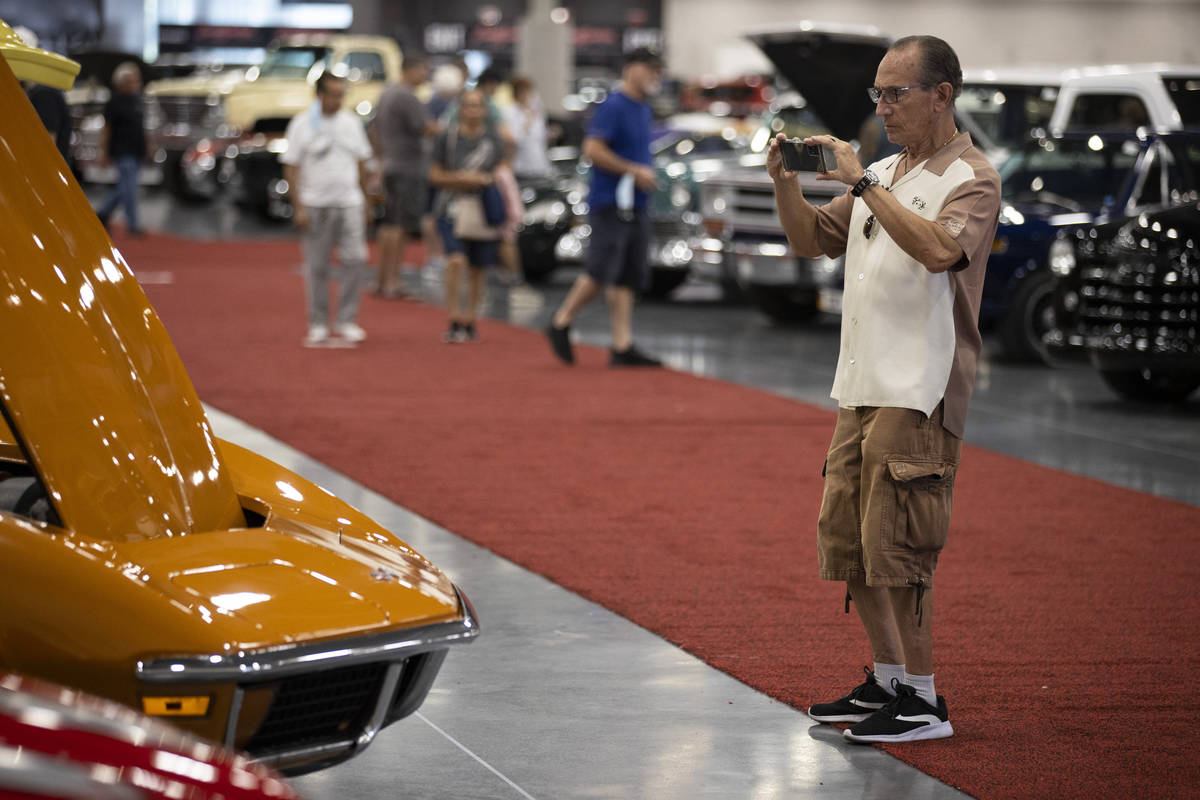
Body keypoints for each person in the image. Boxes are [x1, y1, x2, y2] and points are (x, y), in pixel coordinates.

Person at [767, 35, 1000, 744]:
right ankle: (890, 679)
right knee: (852, 545)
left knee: (900, 550)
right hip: (863, 385)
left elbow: (938, 251)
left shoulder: (973, 178)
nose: (884, 106)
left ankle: (925, 702)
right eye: (879, 94)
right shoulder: (885, 170)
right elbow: (812, 240)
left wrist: (863, 186)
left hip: (920, 388)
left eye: (896, 93)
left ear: (942, 94)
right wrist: (787, 183)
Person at [544, 48, 664, 368]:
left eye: (658, 69)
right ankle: (561, 321)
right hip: (611, 202)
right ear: (631, 68)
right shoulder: (614, 106)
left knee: (627, 274)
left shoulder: (643, 108)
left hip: (635, 204)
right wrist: (633, 170)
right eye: (649, 68)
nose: (655, 75)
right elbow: (593, 149)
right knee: (600, 270)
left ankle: (621, 344)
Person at [280, 71, 375, 348]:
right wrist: (297, 205)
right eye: (333, 94)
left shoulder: (351, 122)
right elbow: (292, 166)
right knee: (317, 266)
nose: (337, 100)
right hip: (315, 203)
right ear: (319, 95)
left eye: (341, 94)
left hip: (350, 202)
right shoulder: (301, 124)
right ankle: (318, 323)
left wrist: (366, 200)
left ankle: (346, 319)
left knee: (356, 258)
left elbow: (362, 162)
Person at [429, 88, 504, 343]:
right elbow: (435, 175)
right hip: (451, 207)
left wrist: (485, 180)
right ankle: (454, 315)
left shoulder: (493, 141)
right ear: (460, 110)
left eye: (477, 106)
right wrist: (461, 179)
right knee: (456, 261)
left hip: (482, 209)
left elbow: (500, 172)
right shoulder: (447, 138)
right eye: (468, 106)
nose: (473, 111)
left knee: (478, 268)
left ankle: (471, 318)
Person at [372, 52, 437, 299]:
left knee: (390, 224)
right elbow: (426, 128)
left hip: (391, 164)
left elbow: (375, 131)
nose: (426, 75)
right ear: (410, 69)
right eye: (423, 70)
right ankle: (393, 282)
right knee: (400, 226)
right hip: (407, 168)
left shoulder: (387, 93)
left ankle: (382, 280)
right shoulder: (406, 96)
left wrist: (380, 161)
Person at [95, 62, 148, 235]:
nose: (136, 84)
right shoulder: (114, 103)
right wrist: (103, 153)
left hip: (136, 149)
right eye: (132, 81)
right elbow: (106, 130)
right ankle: (133, 225)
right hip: (122, 150)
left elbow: (141, 127)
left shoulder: (137, 101)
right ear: (121, 82)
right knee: (129, 188)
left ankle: (102, 214)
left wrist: (148, 146)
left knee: (124, 187)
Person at [505, 76, 553, 180]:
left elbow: (540, 137)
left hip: (540, 164)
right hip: (520, 167)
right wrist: (528, 122)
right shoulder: (509, 112)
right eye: (522, 92)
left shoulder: (537, 111)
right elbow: (515, 140)